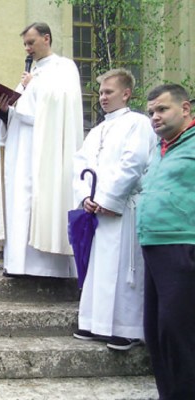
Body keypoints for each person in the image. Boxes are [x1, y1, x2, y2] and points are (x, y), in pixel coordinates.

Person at [72, 69, 156, 351]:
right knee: (100, 268)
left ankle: (127, 328)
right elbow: (80, 164)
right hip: (96, 210)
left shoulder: (138, 123)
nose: (102, 97)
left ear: (126, 93)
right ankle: (96, 322)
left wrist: (108, 199)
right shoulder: (97, 129)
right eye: (100, 92)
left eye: (108, 92)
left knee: (125, 269)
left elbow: (134, 163)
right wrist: (86, 196)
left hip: (123, 208)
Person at [0, 22, 83, 277]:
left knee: (40, 201)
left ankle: (45, 268)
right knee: (20, 203)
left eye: (31, 42)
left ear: (46, 38)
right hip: (21, 151)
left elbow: (60, 104)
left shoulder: (63, 67)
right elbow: (20, 112)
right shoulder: (30, 73)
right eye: (25, 44)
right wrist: (4, 108)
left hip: (46, 150)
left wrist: (34, 86)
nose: (27, 48)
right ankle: (18, 264)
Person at [138, 84, 195, 399]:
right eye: (150, 113)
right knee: (157, 332)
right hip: (153, 245)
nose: (155, 117)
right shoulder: (160, 148)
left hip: (183, 245)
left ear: (185, 108)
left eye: (162, 109)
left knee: (179, 330)